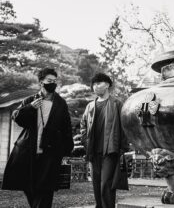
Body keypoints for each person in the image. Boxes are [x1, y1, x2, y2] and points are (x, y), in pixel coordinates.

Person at [1, 68, 74, 208]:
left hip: (51, 153)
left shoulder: (61, 103)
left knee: (46, 189)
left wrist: (66, 151)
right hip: (28, 151)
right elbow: (16, 117)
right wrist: (30, 108)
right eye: (49, 81)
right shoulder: (30, 100)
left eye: (54, 81)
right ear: (41, 82)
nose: (52, 83)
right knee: (29, 187)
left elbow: (67, 128)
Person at [80, 73, 128, 208]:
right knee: (96, 184)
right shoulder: (90, 106)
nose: (95, 87)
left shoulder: (117, 103)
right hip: (93, 151)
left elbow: (124, 126)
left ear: (107, 85)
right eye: (94, 84)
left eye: (99, 83)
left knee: (106, 184)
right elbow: (83, 126)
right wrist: (85, 142)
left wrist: (123, 148)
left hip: (110, 150)